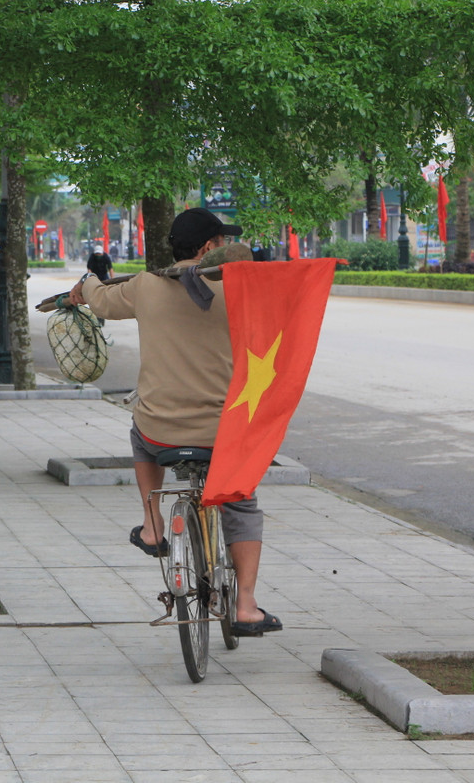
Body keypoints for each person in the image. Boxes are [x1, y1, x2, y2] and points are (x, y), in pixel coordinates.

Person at [68, 206, 281, 637]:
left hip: (160, 429)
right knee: (240, 502)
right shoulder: (240, 290)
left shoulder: (145, 286)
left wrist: (86, 283)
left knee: (139, 435)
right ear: (208, 247)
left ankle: (153, 526)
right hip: (223, 433)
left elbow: (102, 301)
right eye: (220, 242)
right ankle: (245, 606)